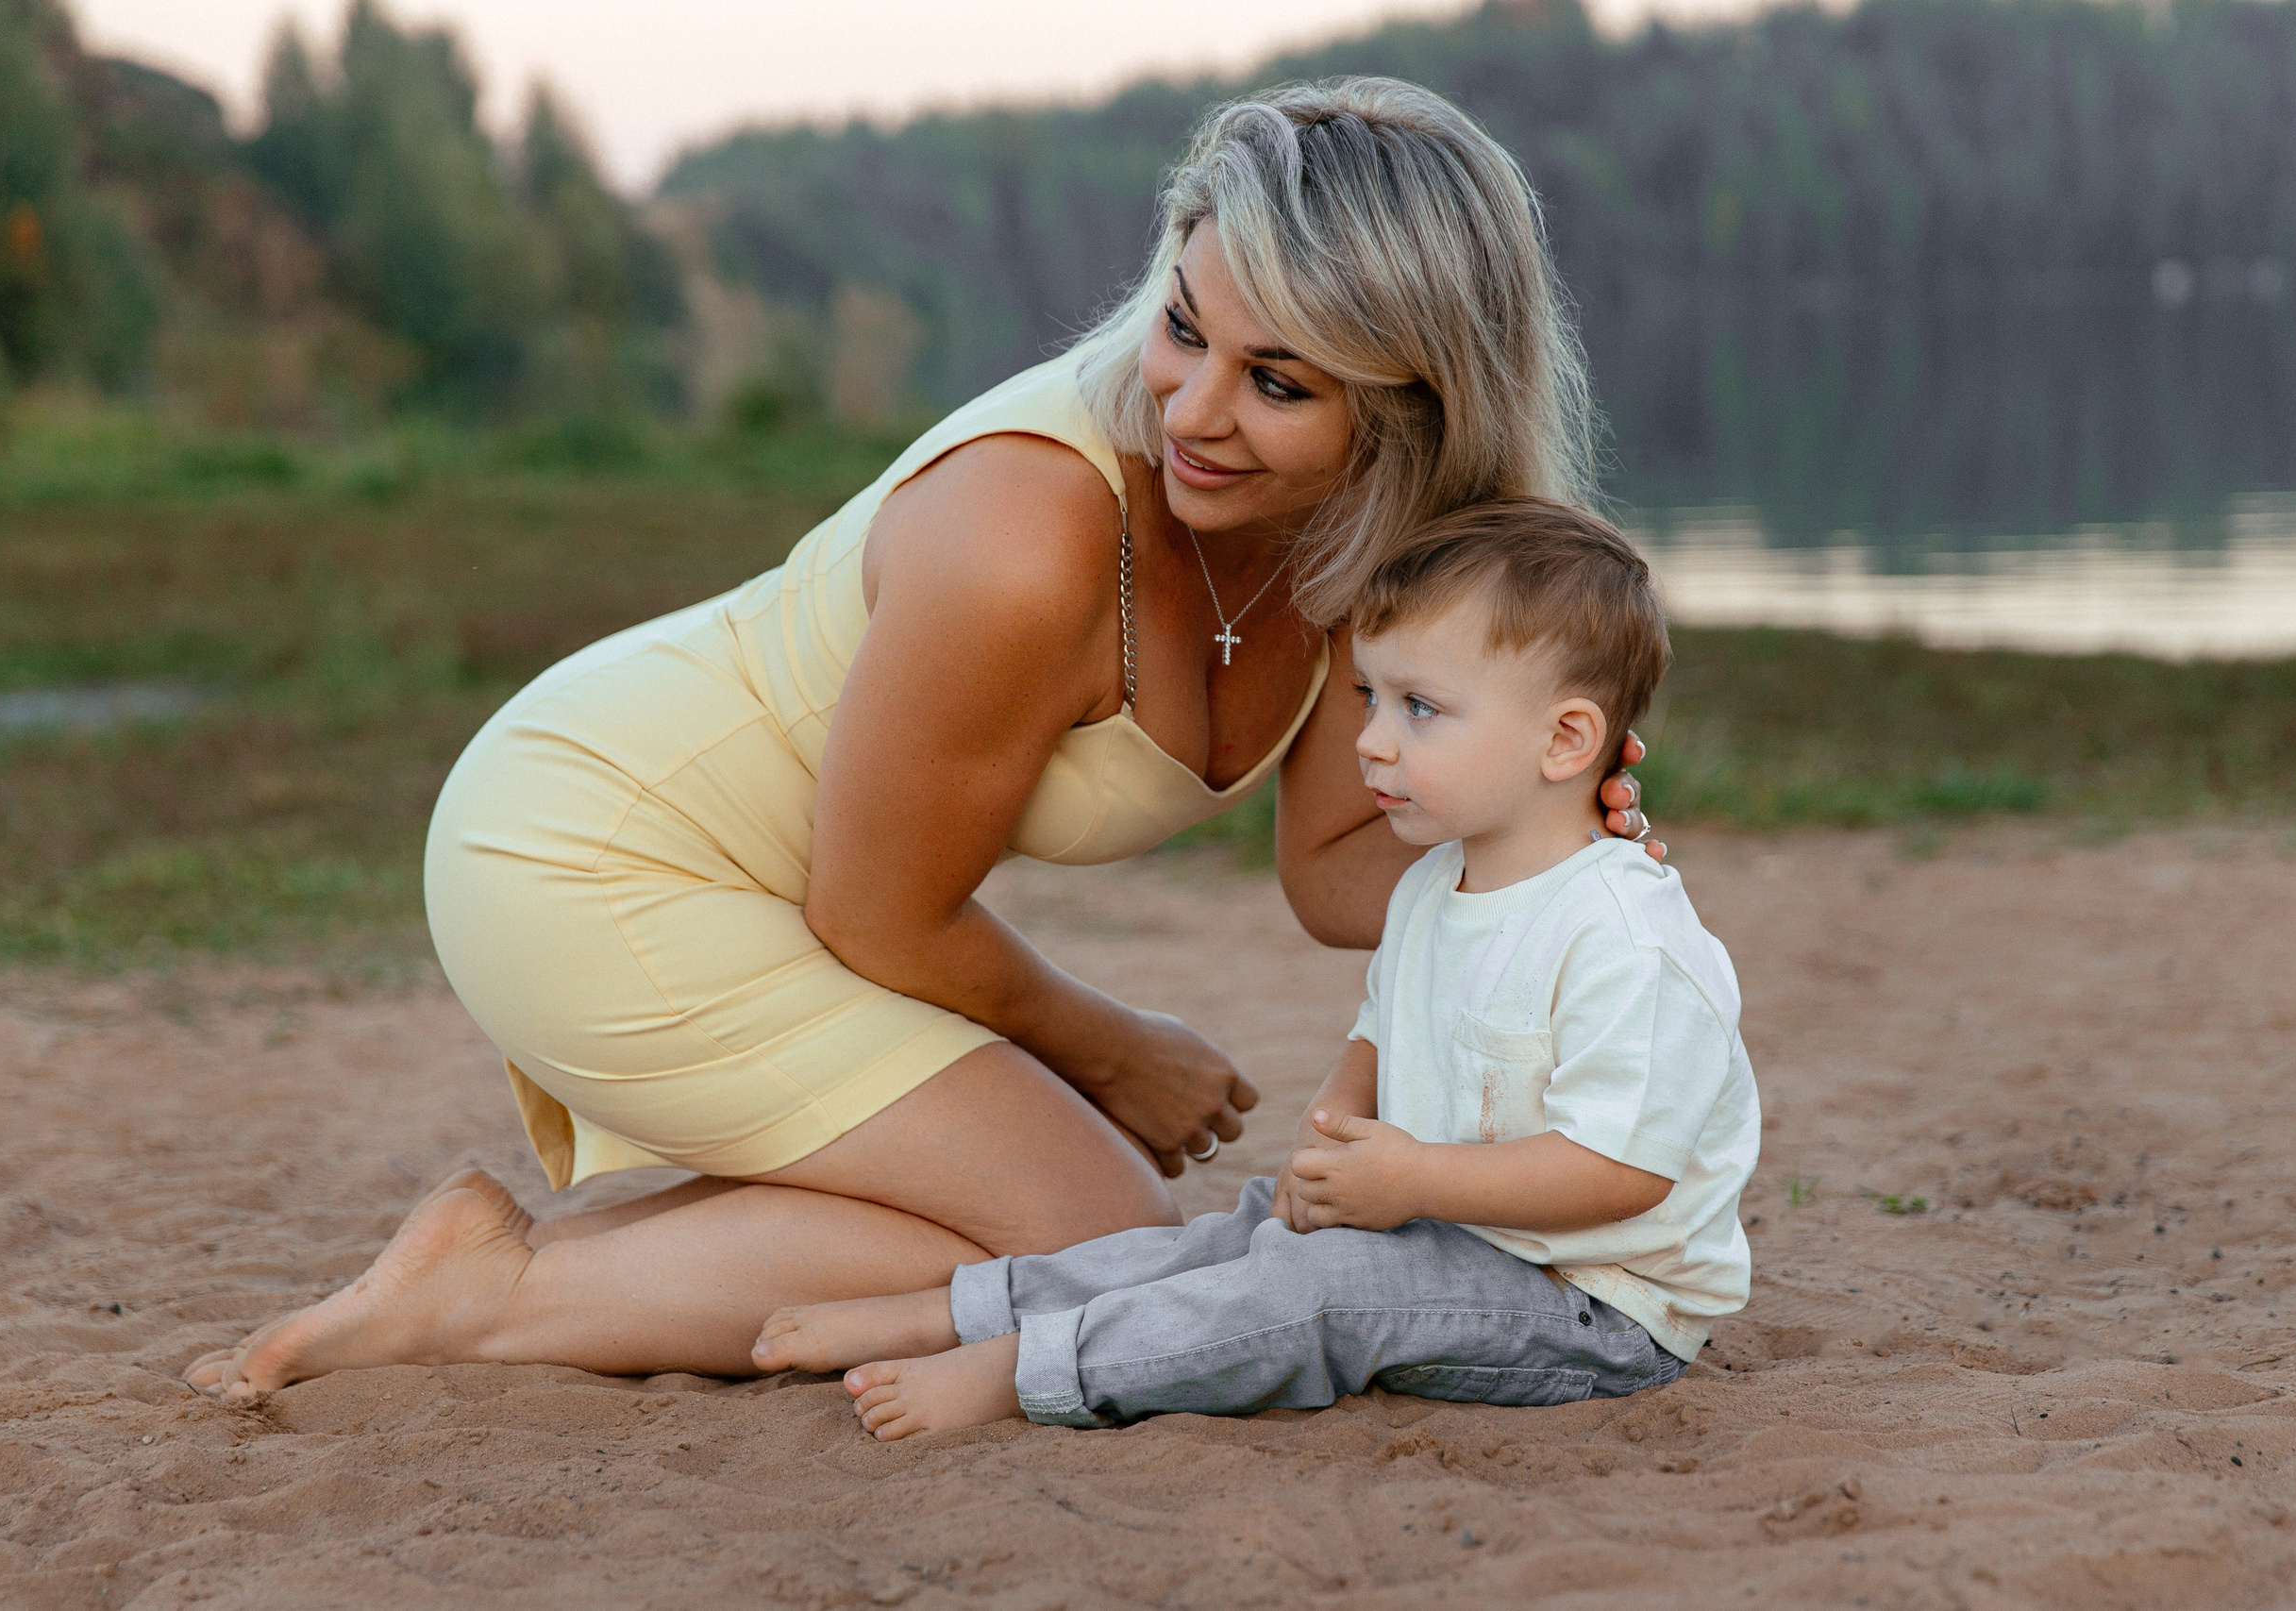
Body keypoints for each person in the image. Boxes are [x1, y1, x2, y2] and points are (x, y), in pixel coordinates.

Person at [184, 78, 1664, 1401]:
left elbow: (1342, 872)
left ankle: (505, 1267)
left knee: (1062, 1230)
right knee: (1103, 1235)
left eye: (1278, 381)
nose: (1195, 411)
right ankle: (501, 1301)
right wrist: (1114, 1049)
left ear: (1412, 413)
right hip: (595, 848)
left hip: (800, 897)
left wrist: (1545, 841)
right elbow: (880, 907)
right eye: (1184, 327)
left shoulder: (1370, 559)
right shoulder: (1028, 535)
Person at [751, 498, 1761, 1437]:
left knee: (1309, 1296)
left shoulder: (1623, 940)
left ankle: (1028, 1372)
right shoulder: (1433, 885)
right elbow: (1378, 1036)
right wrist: (1326, 1151)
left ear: (1566, 739)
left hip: (1585, 1307)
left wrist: (1411, 1179)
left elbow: (1623, 1171)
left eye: (1421, 709)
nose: (1369, 742)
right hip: (1448, 1232)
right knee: (1237, 1238)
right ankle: (960, 1312)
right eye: (1369, 695)